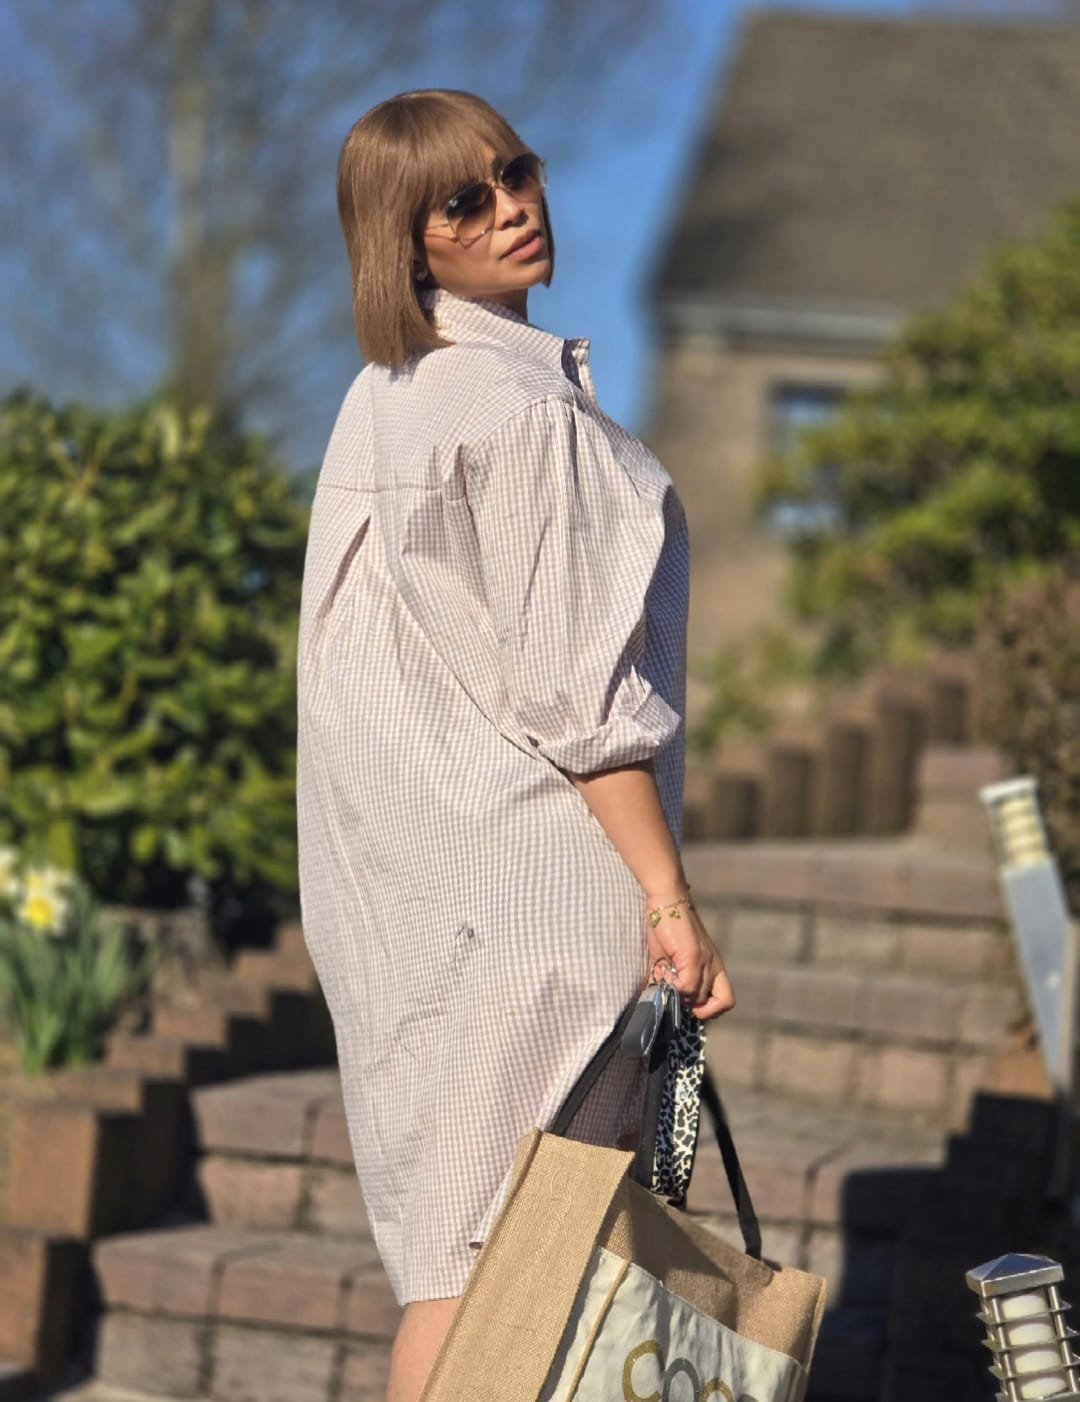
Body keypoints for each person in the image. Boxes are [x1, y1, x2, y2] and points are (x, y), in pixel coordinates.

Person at [296, 88, 736, 1402]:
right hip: (535, 889)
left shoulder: (387, 397)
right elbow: (581, 696)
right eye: (463, 200)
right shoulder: (519, 410)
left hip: (407, 891)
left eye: (516, 172)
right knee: (509, 1272)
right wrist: (668, 896)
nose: (512, 209)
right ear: (407, 241)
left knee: (464, 1260)